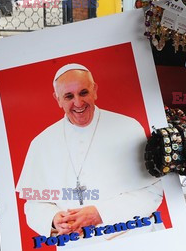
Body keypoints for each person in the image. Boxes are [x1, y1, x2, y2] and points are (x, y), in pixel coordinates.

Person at [16, 64, 163, 243]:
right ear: (57, 99)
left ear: (94, 91)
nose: (78, 103)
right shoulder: (41, 143)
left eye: (83, 93)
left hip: (132, 239)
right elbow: (33, 205)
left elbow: (152, 192)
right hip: (77, 244)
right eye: (68, 96)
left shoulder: (129, 128)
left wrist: (99, 214)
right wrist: (54, 220)